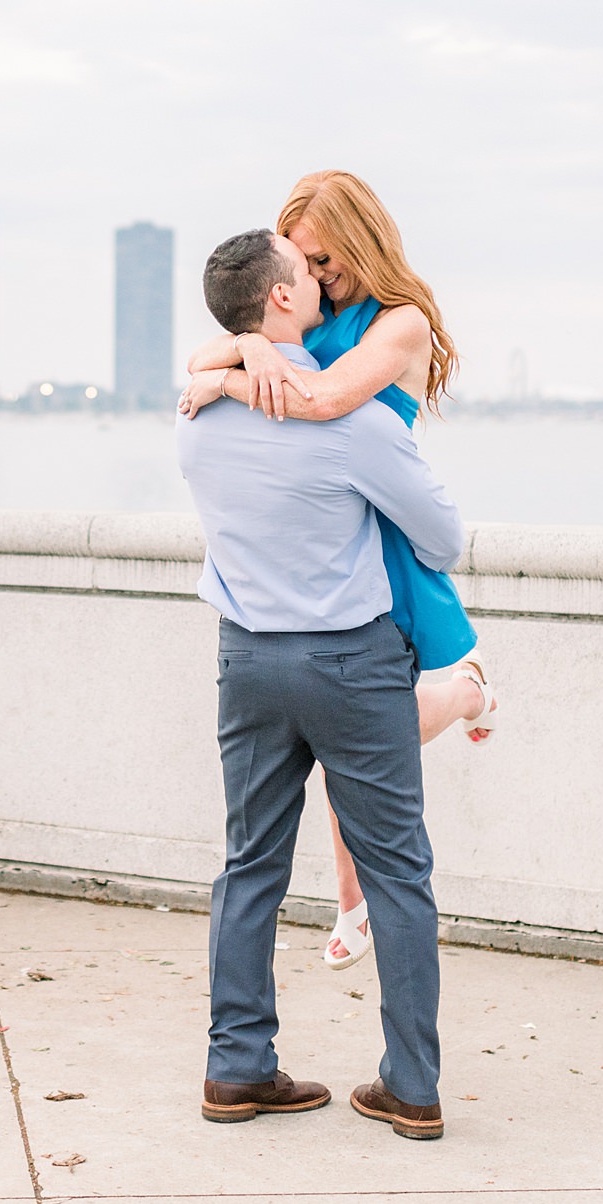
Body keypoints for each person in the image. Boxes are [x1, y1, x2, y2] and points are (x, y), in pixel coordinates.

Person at [176, 226, 461, 1140]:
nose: (325, 286)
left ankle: (236, 1070)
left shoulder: (197, 416)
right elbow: (445, 538)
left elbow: (210, 374)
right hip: (351, 663)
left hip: (247, 661)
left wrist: (233, 363)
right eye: (309, 274)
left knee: (250, 865)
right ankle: (411, 1086)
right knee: (397, 873)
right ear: (283, 302)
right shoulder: (354, 424)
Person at [178, 170, 501, 972]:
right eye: (301, 262)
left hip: (380, 522)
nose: (314, 276)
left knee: (362, 731)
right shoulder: (308, 313)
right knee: (336, 732)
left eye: (323, 258)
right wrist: (244, 347)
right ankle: (352, 897)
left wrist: (226, 378)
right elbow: (200, 352)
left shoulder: (400, 322)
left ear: (360, 241)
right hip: (333, 520)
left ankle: (467, 692)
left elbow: (321, 401)